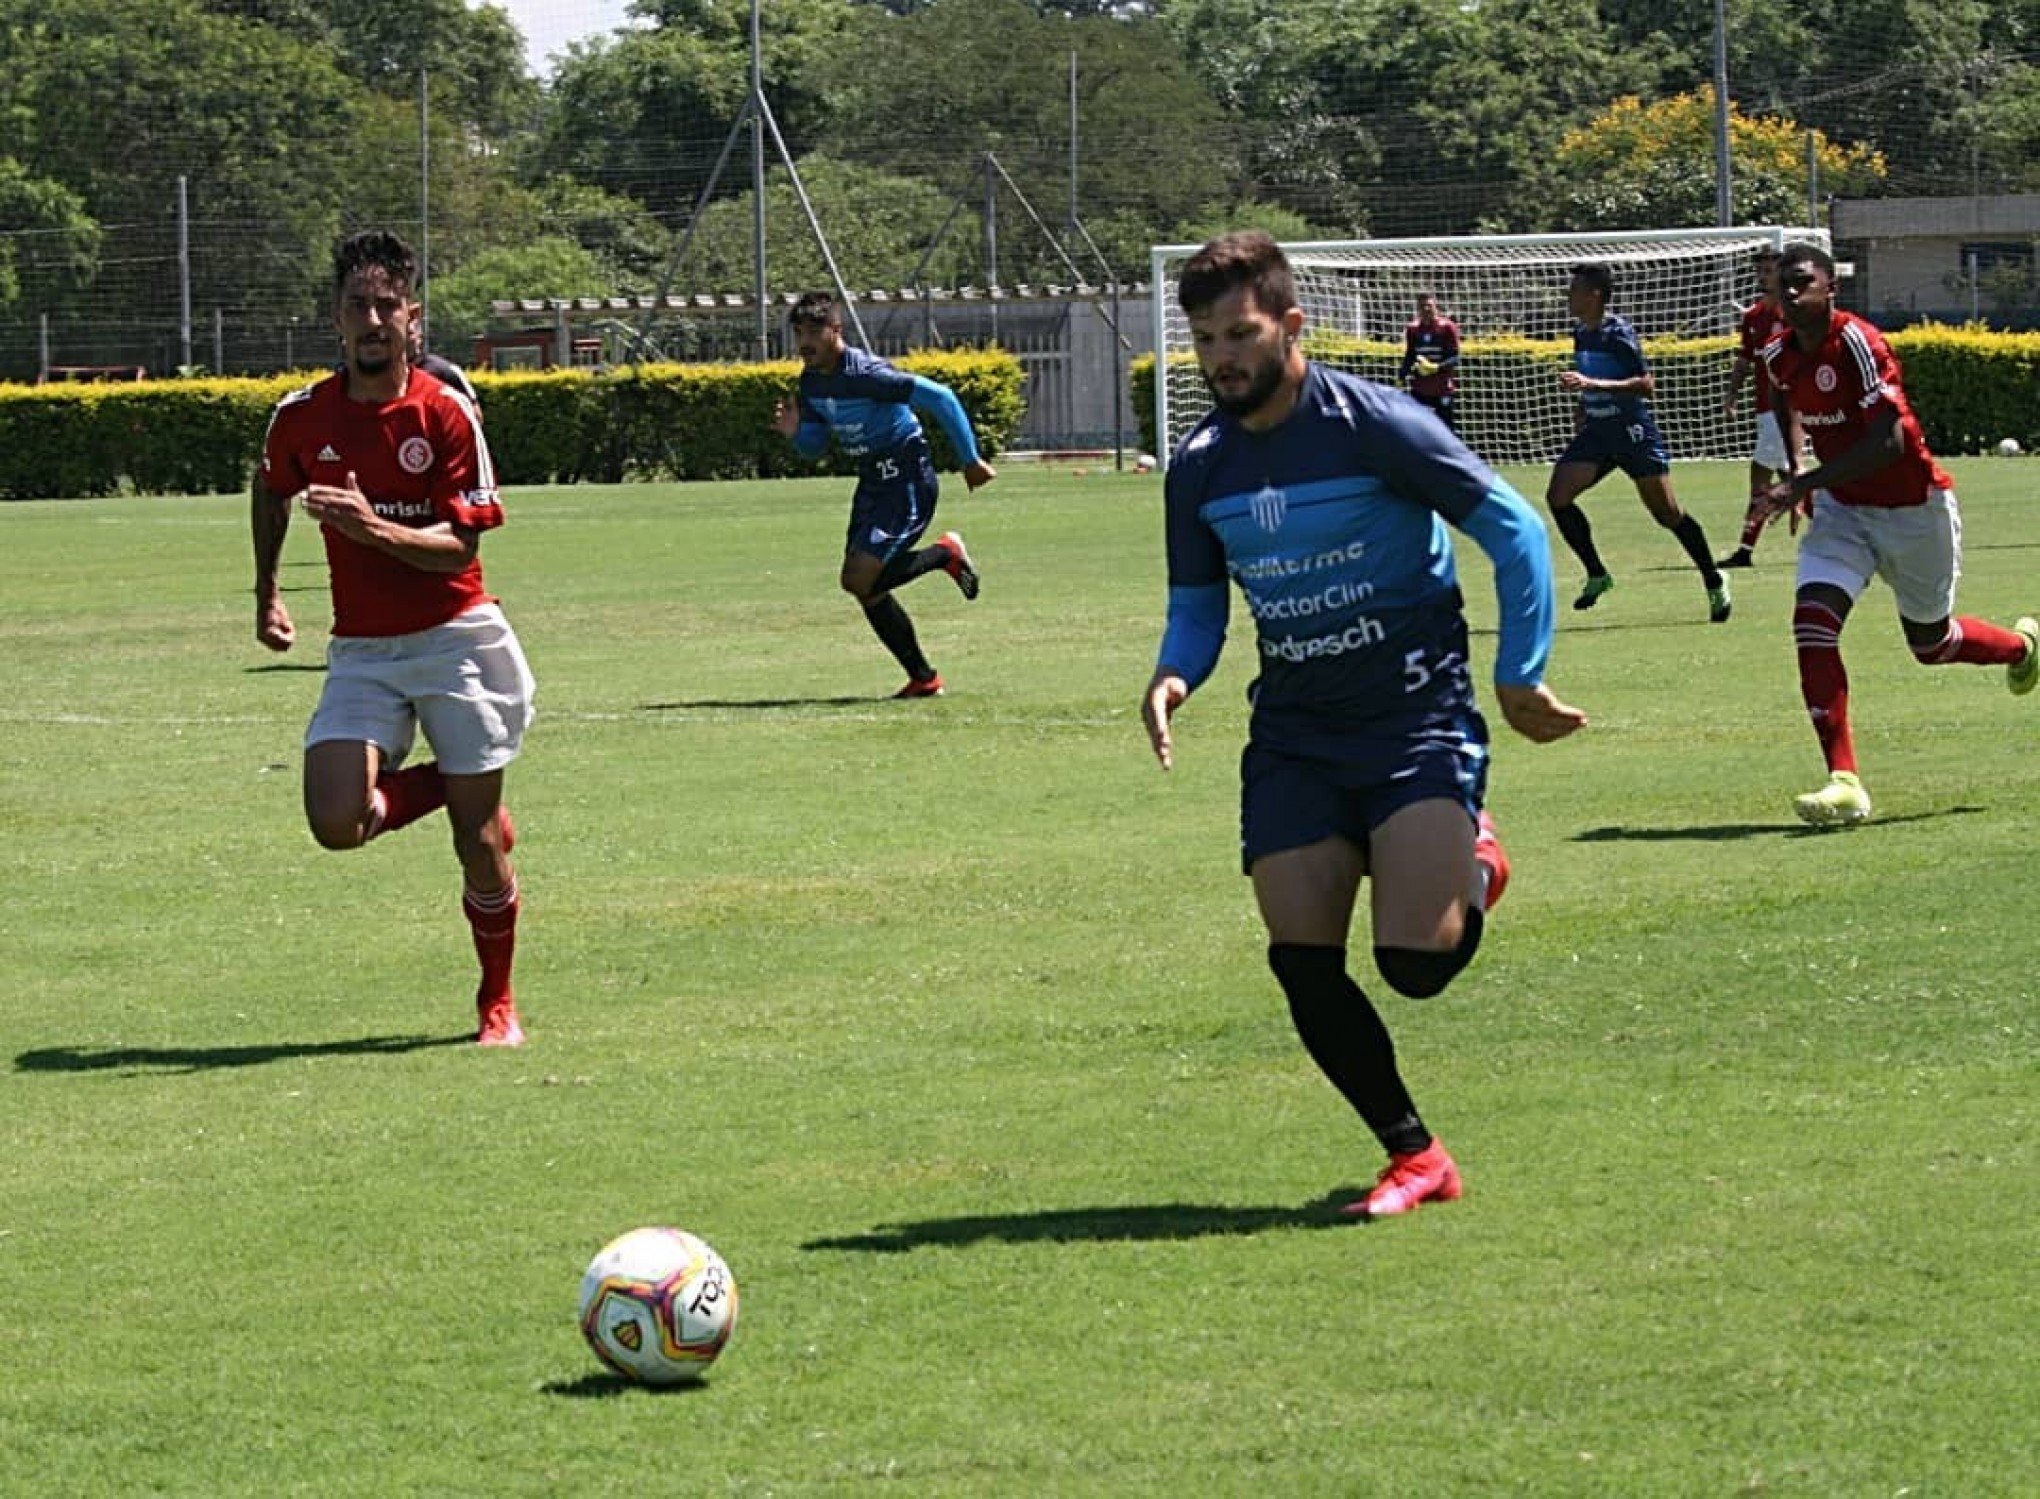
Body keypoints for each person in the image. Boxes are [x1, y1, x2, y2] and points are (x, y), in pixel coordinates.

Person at [1140, 231, 1586, 1221]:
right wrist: (1174, 673)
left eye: (1240, 333)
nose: (1221, 357)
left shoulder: (1375, 423)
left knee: (1414, 967)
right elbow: (1200, 607)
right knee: (1300, 954)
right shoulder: (1199, 468)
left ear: (1292, 326)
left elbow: (1511, 525)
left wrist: (1520, 674)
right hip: (1296, 734)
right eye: (1205, 337)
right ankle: (1416, 1153)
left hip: (1413, 718)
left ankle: (1474, 861)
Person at [252, 229, 535, 1046]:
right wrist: (268, 590)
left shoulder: (446, 413)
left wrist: (372, 529)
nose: (371, 319)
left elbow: (461, 546)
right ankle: (458, 778)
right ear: (335, 322)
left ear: (413, 319)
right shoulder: (302, 417)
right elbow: (272, 489)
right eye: (356, 307)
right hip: (364, 651)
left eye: (386, 306)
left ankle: (497, 1002)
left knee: (479, 846)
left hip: (456, 638)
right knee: (335, 820)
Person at [1754, 240, 2037, 827]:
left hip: (1914, 509)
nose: (1791, 291)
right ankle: (1845, 782)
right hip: (1843, 512)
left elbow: (1891, 442)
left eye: (1804, 280)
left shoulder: (1858, 341)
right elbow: (1787, 404)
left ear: (1832, 287)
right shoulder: (1779, 350)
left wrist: (1802, 484)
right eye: (1783, 283)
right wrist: (1798, 468)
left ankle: (2023, 647)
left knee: (1930, 643)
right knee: (1812, 623)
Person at [770, 292, 995, 698]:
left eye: (814, 332)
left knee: (860, 579)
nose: (805, 342)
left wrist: (970, 459)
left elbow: (940, 397)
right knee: (860, 585)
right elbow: (816, 446)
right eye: (799, 332)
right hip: (874, 482)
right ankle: (924, 679)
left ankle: (944, 554)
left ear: (836, 331)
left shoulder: (865, 373)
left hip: (906, 477)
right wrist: (797, 434)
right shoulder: (811, 382)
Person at [1546, 261, 1733, 623]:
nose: (1568, 296)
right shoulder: (1581, 331)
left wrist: (1592, 385)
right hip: (1598, 433)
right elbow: (1589, 377)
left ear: (1594, 295)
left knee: (1667, 514)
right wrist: (1584, 407)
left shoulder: (1619, 334)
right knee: (1558, 497)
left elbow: (1646, 385)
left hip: (1631, 433)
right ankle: (1597, 574)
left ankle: (1713, 578)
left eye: (1574, 290)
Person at [1717, 245, 1796, 568]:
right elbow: (1744, 360)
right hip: (1764, 410)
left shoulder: (1795, 314)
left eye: (1771, 269)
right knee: (1795, 479)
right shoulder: (1753, 317)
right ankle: (1840, 531)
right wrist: (1731, 395)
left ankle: (1745, 550)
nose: (1764, 276)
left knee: (1760, 478)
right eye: (1761, 270)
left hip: (1788, 411)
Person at [1398, 291, 1461, 430]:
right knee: (1420, 430)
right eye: (1422, 306)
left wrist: (1436, 367)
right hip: (1420, 390)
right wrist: (1402, 373)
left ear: (1435, 306)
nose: (1426, 309)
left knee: (1446, 430)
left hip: (1442, 389)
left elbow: (1455, 357)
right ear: (1417, 308)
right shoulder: (1412, 329)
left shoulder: (1447, 327)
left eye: (1429, 305)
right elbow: (1410, 355)